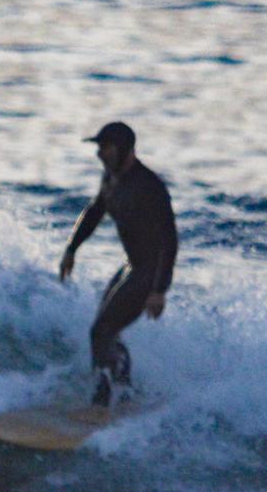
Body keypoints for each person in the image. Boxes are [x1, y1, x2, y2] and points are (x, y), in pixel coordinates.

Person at [57, 120, 177, 407]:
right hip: (131, 266)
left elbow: (169, 240)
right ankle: (123, 391)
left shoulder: (149, 185)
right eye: (99, 148)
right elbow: (95, 211)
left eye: (106, 149)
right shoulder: (111, 179)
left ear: (125, 149)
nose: (100, 154)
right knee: (107, 329)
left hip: (148, 270)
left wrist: (159, 290)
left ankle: (103, 400)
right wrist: (71, 249)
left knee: (102, 331)